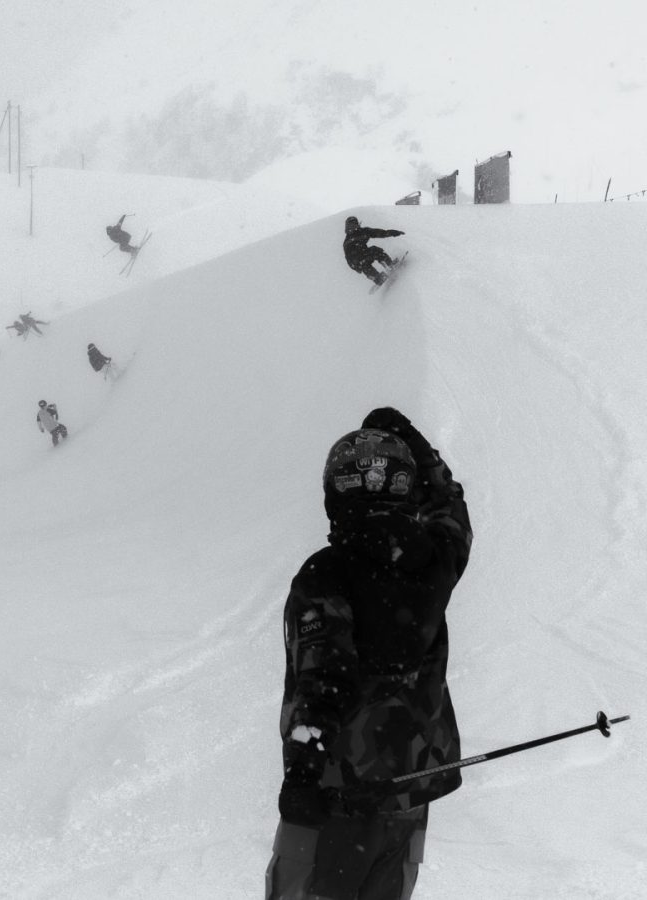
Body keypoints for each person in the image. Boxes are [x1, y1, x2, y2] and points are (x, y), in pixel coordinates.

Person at [266, 407, 472, 900]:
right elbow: (451, 511)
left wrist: (303, 775)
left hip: (337, 796)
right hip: (408, 795)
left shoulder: (327, 573)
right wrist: (421, 453)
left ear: (334, 494)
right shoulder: (432, 563)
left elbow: (325, 677)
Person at [343, 216, 405, 286]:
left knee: (374, 250)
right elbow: (348, 259)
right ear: (347, 227)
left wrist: (393, 233)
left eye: (355, 224)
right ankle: (377, 277)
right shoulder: (347, 242)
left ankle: (389, 265)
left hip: (366, 253)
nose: (353, 227)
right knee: (365, 265)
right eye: (350, 225)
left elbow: (380, 233)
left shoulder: (363, 231)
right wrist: (356, 267)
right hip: (358, 260)